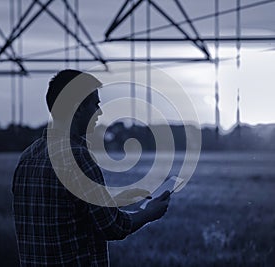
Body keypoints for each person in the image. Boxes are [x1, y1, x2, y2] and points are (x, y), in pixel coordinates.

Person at [12, 69, 170, 266]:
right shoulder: (77, 157)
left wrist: (116, 200)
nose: (100, 112)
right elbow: (112, 227)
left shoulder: (28, 156)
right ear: (78, 109)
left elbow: (65, 210)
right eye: (95, 104)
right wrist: (149, 213)